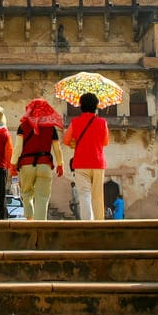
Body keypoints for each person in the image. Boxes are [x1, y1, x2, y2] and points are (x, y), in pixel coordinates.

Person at [12, 98, 64, 220]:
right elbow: (57, 149)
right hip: (45, 165)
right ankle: (40, 225)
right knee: (42, 197)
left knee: (26, 194)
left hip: (26, 165)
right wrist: (60, 164)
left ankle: (30, 221)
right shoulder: (51, 128)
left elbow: (18, 148)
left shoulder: (23, 126)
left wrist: (12, 165)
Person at [63, 92, 109, 220]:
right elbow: (105, 142)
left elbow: (66, 140)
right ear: (96, 106)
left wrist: (75, 143)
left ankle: (88, 222)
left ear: (81, 106)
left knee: (84, 194)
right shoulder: (102, 122)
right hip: (98, 163)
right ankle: (99, 223)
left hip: (81, 163)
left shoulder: (75, 122)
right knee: (98, 195)